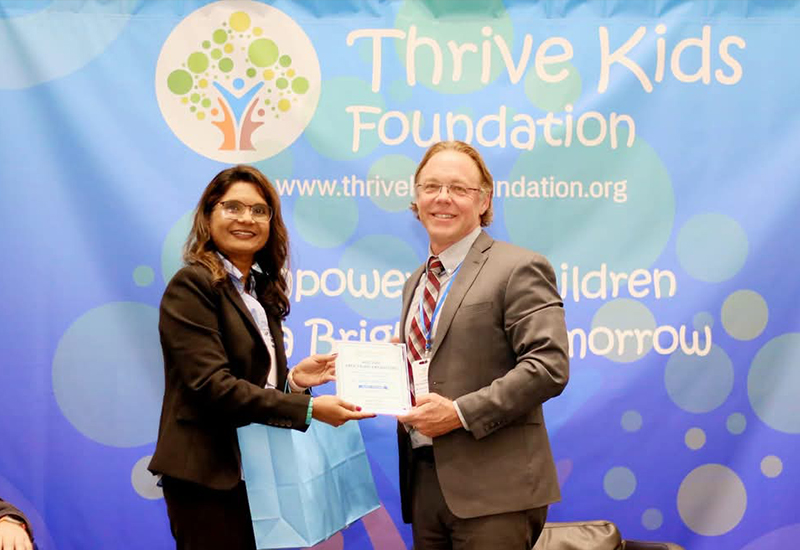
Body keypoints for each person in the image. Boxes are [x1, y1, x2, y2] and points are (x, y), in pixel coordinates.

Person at [148, 165, 374, 550]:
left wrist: (294, 383)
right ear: (208, 216)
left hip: (258, 479)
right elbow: (212, 387)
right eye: (232, 207)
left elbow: (255, 384)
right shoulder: (192, 285)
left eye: (259, 210)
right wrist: (308, 408)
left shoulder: (259, 292)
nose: (246, 219)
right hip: (208, 478)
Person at [396, 141, 570, 550]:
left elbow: (548, 366)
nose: (442, 198)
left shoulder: (518, 267)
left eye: (459, 188)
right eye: (431, 186)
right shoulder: (417, 281)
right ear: (417, 198)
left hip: (496, 492)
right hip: (426, 485)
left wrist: (458, 413)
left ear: (484, 200)